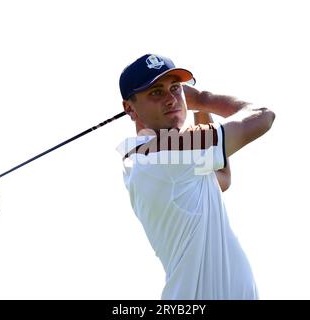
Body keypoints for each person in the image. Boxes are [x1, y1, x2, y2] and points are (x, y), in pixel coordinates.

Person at [116, 54, 275, 299]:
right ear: (130, 108)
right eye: (156, 92)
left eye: (175, 88)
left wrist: (199, 108)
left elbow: (221, 178)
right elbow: (263, 117)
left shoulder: (152, 155)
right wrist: (203, 99)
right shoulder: (167, 151)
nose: (171, 99)